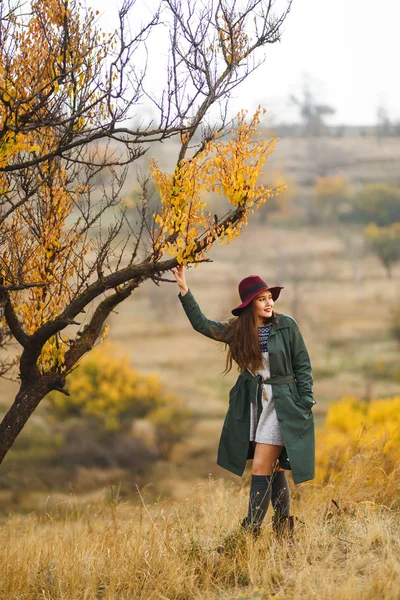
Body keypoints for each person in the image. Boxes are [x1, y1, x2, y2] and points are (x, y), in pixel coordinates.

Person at [171, 265, 316, 540]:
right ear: (250, 305)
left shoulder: (287, 326)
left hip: (283, 405)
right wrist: (184, 289)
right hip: (254, 404)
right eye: (262, 299)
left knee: (261, 466)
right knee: (272, 468)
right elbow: (203, 325)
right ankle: (284, 531)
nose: (269, 302)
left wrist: (305, 402)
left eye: (270, 297)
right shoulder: (238, 331)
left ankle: (248, 534)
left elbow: (303, 366)